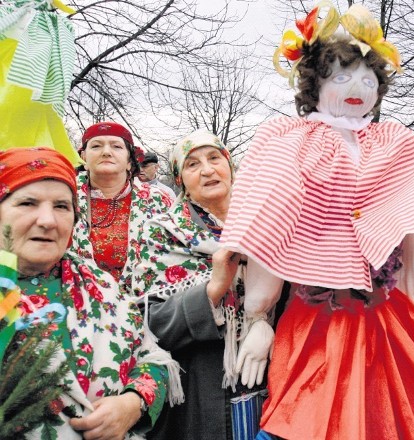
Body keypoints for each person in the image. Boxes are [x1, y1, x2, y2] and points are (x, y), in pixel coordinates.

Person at [221, 4, 414, 439]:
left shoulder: (399, 144)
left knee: (384, 418)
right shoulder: (287, 140)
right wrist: (258, 315)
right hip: (318, 313)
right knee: (320, 418)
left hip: (384, 311)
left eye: (368, 78)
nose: (358, 86)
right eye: (341, 76)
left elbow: (410, 226)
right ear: (315, 84)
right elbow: (271, 223)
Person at [0, 148, 170, 438]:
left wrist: (132, 403)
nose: (48, 221)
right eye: (28, 203)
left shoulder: (101, 285)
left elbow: (152, 360)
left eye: (62, 206)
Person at [133, 130, 267, 440]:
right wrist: (210, 291)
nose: (207, 170)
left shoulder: (266, 223)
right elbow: (147, 323)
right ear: (180, 181)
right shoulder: (159, 233)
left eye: (214, 158)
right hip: (202, 387)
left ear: (229, 166)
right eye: (192, 164)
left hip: (275, 374)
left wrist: (265, 322)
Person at [72, 122, 172, 295]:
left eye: (116, 146)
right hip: (75, 307)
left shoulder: (159, 201)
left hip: (146, 308)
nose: (106, 152)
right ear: (84, 157)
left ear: (129, 161)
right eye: (96, 146)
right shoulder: (63, 198)